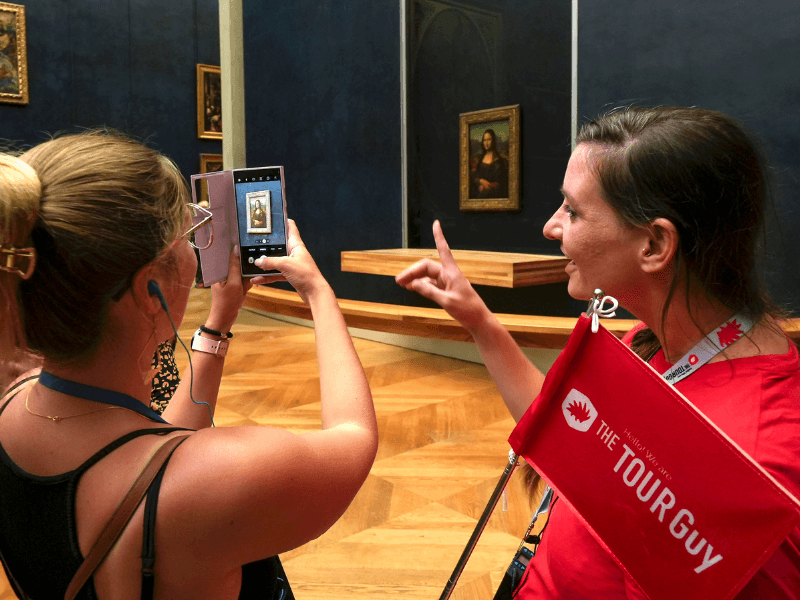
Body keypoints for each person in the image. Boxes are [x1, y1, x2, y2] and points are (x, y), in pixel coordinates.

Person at [397, 106, 800, 598]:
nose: (550, 226)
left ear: (654, 245)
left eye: (572, 210)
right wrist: (479, 320)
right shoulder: (654, 341)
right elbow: (570, 435)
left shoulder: (754, 463)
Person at [0, 131, 377, 599]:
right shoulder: (219, 478)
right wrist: (319, 293)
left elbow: (152, 459)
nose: (196, 245)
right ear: (147, 288)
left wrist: (217, 325)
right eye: (187, 233)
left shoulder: (14, 401)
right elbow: (353, 439)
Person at [470, 128, 508, 199]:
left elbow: (501, 183)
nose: (486, 143)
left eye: (489, 139)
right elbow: (473, 177)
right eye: (484, 140)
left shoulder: (498, 161)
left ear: (493, 140)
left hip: (493, 196)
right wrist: (480, 181)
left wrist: (488, 186)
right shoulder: (479, 158)